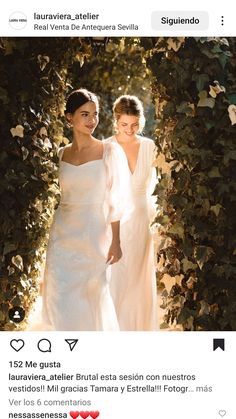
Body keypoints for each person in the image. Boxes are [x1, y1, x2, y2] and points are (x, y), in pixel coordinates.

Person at [42, 88, 132, 331]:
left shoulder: (109, 152)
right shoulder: (60, 155)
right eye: (85, 114)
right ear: (69, 117)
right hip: (62, 236)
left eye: (95, 114)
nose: (92, 120)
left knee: (92, 299)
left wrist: (116, 241)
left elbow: (117, 198)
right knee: (61, 300)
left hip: (94, 235)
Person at [104, 95, 158, 331]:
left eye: (134, 124)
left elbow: (155, 187)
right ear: (116, 121)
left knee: (138, 282)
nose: (129, 129)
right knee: (116, 280)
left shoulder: (149, 147)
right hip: (114, 222)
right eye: (124, 124)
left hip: (142, 222)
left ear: (141, 121)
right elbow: (103, 190)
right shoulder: (106, 147)